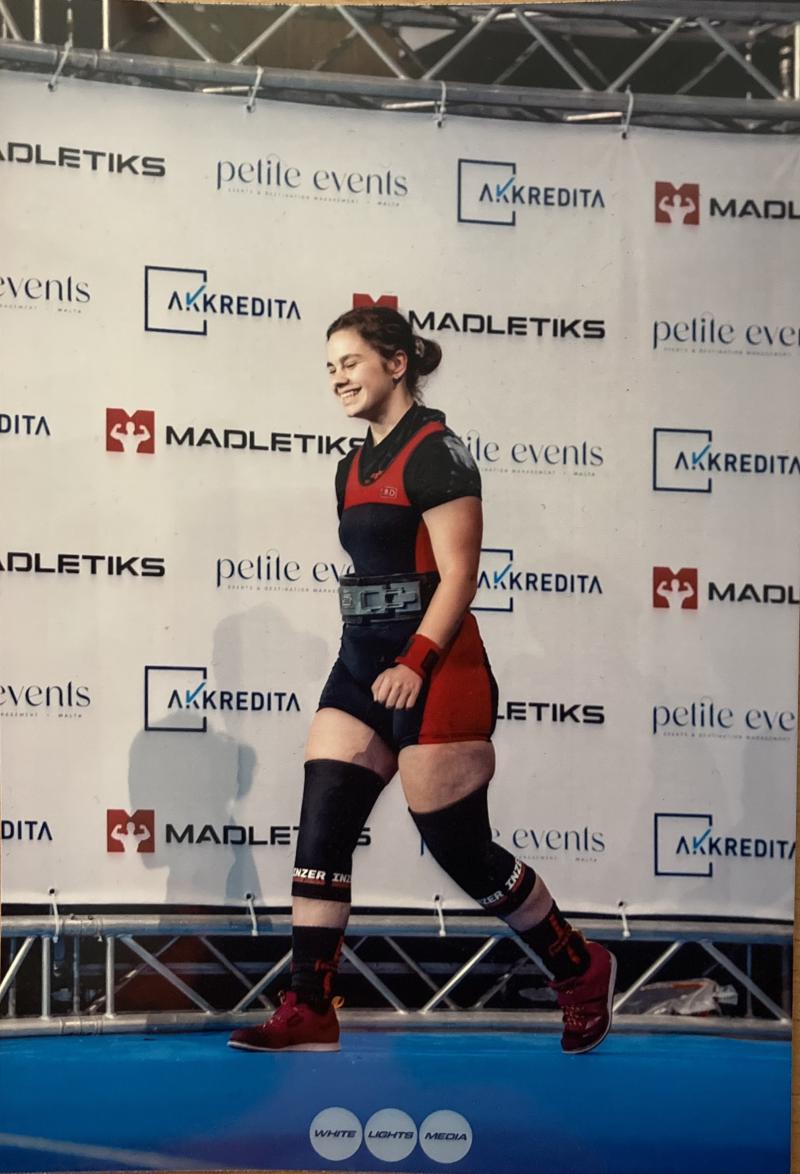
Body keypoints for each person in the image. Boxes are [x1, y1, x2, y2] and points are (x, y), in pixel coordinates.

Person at [228, 307, 615, 1056]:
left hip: (438, 672)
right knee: (322, 825)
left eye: (350, 362)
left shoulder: (440, 454)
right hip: (360, 667)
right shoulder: (348, 466)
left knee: (462, 852)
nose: (338, 378)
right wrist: (377, 661)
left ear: (397, 363)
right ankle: (310, 1007)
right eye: (329, 367)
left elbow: (459, 576)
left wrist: (416, 661)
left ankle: (579, 965)